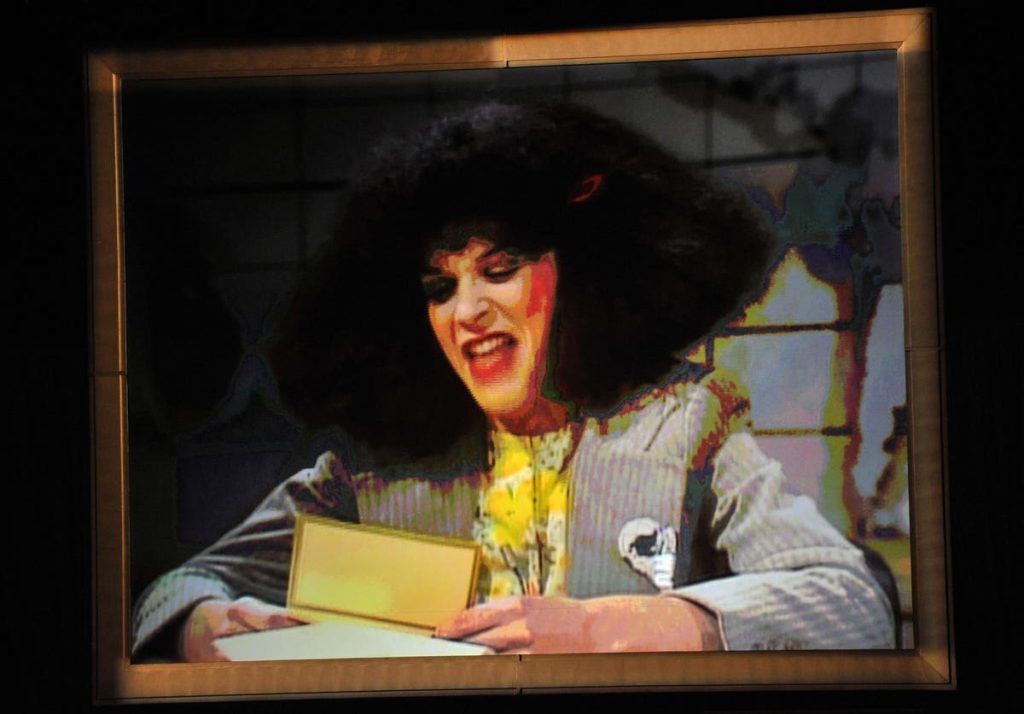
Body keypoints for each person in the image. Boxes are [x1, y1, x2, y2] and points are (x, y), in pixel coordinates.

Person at [132, 101, 895, 661]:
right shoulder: (366, 474)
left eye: (499, 270)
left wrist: (608, 628)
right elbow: (173, 593)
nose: (468, 311)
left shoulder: (684, 425)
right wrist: (199, 625)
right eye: (441, 288)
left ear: (577, 277)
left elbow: (853, 602)